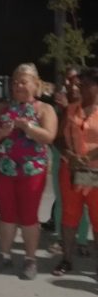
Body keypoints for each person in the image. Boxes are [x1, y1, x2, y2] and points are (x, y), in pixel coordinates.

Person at [0, 63, 57, 280]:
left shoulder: (44, 109)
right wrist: (2, 131)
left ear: (35, 84)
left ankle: (30, 259)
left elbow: (49, 136)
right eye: (15, 82)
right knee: (6, 215)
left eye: (23, 82)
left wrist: (29, 128)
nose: (18, 86)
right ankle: (4, 255)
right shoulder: (3, 107)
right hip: (5, 170)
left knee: (28, 217)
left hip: (32, 171)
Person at [52, 67, 98, 276]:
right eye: (80, 84)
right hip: (71, 171)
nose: (79, 87)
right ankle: (66, 259)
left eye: (85, 84)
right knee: (70, 216)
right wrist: (70, 155)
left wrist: (90, 156)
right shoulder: (71, 110)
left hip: (95, 173)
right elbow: (58, 138)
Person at [46, 66, 91, 255]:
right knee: (64, 201)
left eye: (75, 80)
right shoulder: (61, 103)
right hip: (62, 157)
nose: (71, 84)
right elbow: (55, 133)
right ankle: (61, 240)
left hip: (87, 160)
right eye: (68, 80)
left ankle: (82, 241)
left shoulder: (88, 104)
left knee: (86, 202)